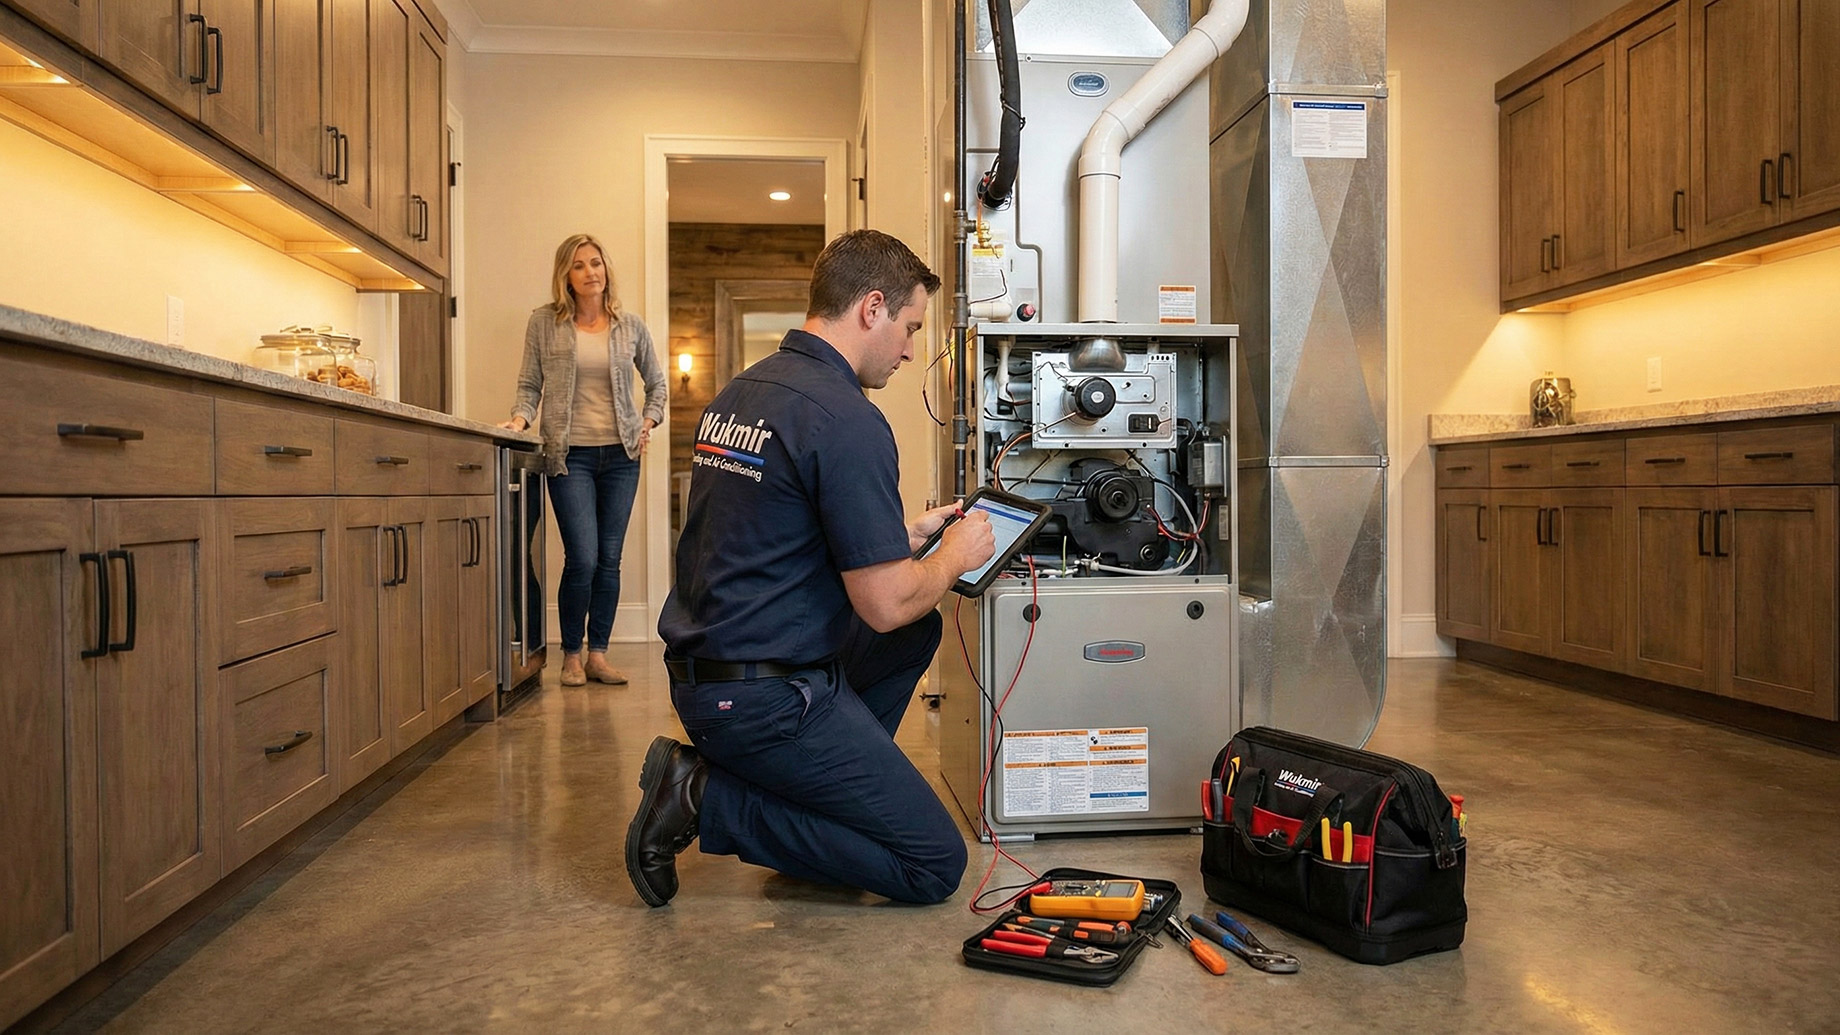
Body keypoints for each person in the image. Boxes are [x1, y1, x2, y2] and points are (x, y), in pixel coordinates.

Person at [625, 229, 996, 908]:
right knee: (932, 863)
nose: (912, 348)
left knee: (912, 636)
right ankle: (701, 794)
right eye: (911, 327)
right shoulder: (847, 417)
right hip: (761, 699)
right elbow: (883, 602)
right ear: (872, 308)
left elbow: (768, 528)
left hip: (707, 671)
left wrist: (902, 534)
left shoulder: (745, 391)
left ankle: (818, 807)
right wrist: (953, 554)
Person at [499, 233, 667, 687]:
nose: (590, 272)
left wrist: (647, 423)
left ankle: (598, 655)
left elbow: (658, 385)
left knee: (609, 559)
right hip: (569, 455)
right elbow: (530, 384)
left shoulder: (629, 326)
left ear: (606, 269)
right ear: (566, 277)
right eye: (579, 266)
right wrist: (519, 419)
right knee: (582, 557)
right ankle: (571, 655)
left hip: (621, 457)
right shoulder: (544, 323)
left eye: (596, 263)